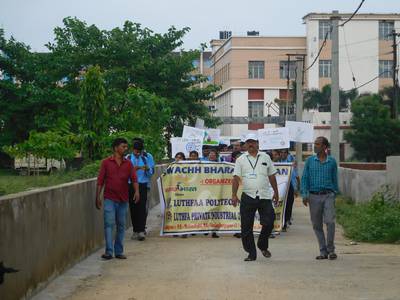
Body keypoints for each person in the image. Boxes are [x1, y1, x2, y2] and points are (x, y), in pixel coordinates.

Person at [232, 133, 279, 261]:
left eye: (253, 142)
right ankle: (251, 253)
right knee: (246, 227)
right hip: (248, 195)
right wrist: (234, 195)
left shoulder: (265, 157)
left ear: (257, 143)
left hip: (264, 195)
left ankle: (262, 244)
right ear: (245, 145)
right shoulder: (240, 159)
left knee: (269, 221)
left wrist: (276, 192)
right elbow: (236, 178)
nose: (251, 144)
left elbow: (272, 176)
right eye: (248, 142)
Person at [96, 138, 140, 260]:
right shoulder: (106, 163)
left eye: (126, 147)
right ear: (116, 148)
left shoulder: (128, 163)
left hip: (123, 199)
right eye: (123, 147)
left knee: (121, 225)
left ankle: (119, 251)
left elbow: (134, 178)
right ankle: (109, 251)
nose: (125, 149)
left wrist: (137, 191)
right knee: (109, 224)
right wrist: (97, 196)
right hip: (109, 197)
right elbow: (100, 180)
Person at [301, 136, 339, 260]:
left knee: (330, 222)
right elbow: (305, 178)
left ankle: (331, 249)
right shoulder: (310, 161)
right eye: (315, 144)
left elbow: (335, 179)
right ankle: (323, 251)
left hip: (328, 195)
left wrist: (335, 193)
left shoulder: (332, 162)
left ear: (324, 147)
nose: (315, 146)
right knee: (317, 224)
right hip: (314, 196)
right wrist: (305, 194)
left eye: (317, 144)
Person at [127, 138, 155, 241]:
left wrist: (147, 169)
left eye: (140, 151)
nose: (138, 153)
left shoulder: (147, 157)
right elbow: (125, 173)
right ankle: (135, 230)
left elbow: (151, 172)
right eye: (136, 151)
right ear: (132, 149)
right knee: (133, 207)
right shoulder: (128, 158)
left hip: (143, 184)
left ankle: (141, 230)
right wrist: (133, 170)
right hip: (131, 185)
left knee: (142, 208)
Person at [280, 149, 300, 231]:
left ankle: (286, 221)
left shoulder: (290, 164)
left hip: (289, 186)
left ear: (287, 154)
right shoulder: (277, 163)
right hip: (280, 187)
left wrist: (296, 188)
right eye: (281, 152)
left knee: (288, 205)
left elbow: (295, 176)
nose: (283, 154)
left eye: (285, 152)